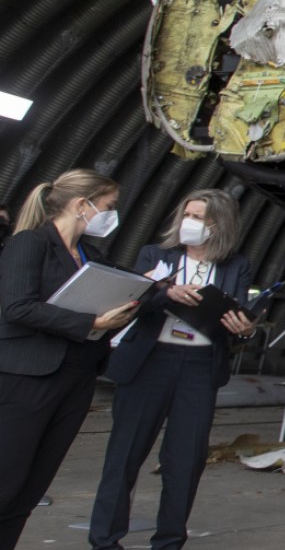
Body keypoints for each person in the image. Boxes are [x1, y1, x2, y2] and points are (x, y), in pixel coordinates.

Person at [89, 188, 255, 550]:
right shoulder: (155, 254)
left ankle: (169, 540)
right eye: (188, 215)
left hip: (198, 366)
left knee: (186, 458)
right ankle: (104, 540)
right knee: (125, 454)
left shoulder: (235, 265)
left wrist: (246, 329)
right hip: (151, 361)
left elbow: (238, 312)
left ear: (219, 225)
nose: (190, 223)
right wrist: (166, 294)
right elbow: (132, 300)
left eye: (199, 218)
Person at [0, 170, 139, 550]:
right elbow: (16, 307)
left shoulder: (90, 256)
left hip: (75, 378)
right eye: (108, 206)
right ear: (83, 205)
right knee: (6, 479)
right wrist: (91, 322)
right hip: (27, 376)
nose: (112, 214)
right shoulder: (29, 244)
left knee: (31, 486)